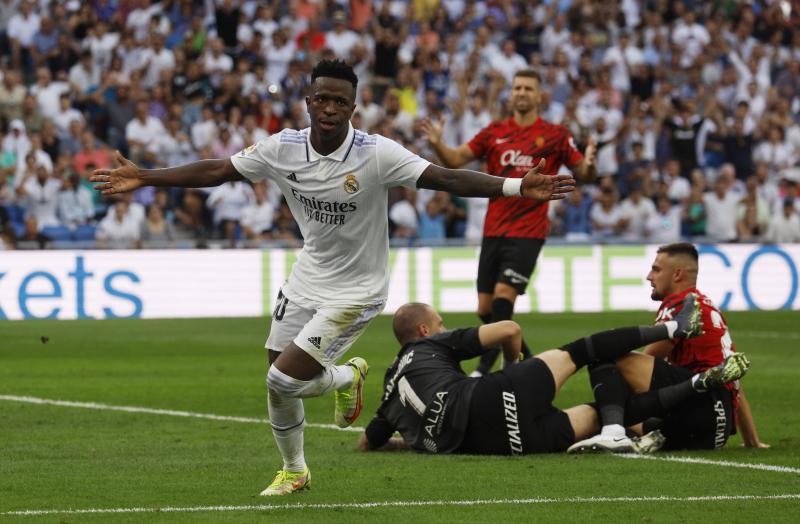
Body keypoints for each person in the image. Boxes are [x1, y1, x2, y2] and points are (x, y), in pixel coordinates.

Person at [90, 60, 576, 496]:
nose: (328, 108)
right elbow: (219, 169)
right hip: (308, 276)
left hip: (358, 288)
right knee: (274, 379)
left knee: (283, 378)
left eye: (339, 101)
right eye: (321, 98)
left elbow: (444, 178)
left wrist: (514, 186)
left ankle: (346, 374)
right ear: (308, 101)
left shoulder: (376, 153)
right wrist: (147, 177)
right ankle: (295, 469)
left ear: (353, 108)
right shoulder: (282, 148)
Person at [359, 299, 744, 455]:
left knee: (603, 411)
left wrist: (407, 440)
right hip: (491, 397)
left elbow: (369, 442)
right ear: (426, 331)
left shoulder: (389, 391)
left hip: (496, 444)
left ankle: (638, 425)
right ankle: (675, 329)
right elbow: (508, 329)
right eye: (439, 322)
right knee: (584, 350)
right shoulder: (433, 346)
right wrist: (514, 366)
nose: (444, 326)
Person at [422, 69, 596, 376]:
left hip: (528, 232)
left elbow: (584, 172)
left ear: (540, 95)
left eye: (528, 88)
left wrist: (591, 165)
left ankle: (490, 367)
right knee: (485, 309)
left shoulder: (555, 134)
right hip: (494, 229)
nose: (521, 93)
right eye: (517, 88)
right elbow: (455, 160)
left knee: (503, 299)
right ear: (511, 94)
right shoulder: (494, 132)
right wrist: (437, 143)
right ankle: (530, 366)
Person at [569, 243, 761, 453]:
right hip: (715, 432)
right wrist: (751, 439)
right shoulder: (707, 305)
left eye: (656, 269)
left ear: (677, 274)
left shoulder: (680, 306)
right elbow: (732, 379)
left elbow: (636, 370)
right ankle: (629, 433)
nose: (649, 277)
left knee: (606, 358)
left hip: (702, 408)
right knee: (615, 415)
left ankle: (612, 434)